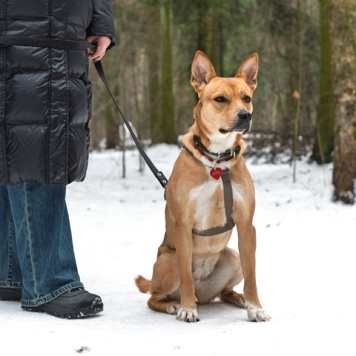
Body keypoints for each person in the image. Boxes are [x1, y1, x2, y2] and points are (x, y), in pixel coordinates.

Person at [0, 0, 116, 318]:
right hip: (18, 36)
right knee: (30, 152)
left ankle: (13, 273)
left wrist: (101, 23)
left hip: (63, 42)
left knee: (29, 147)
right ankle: (50, 283)